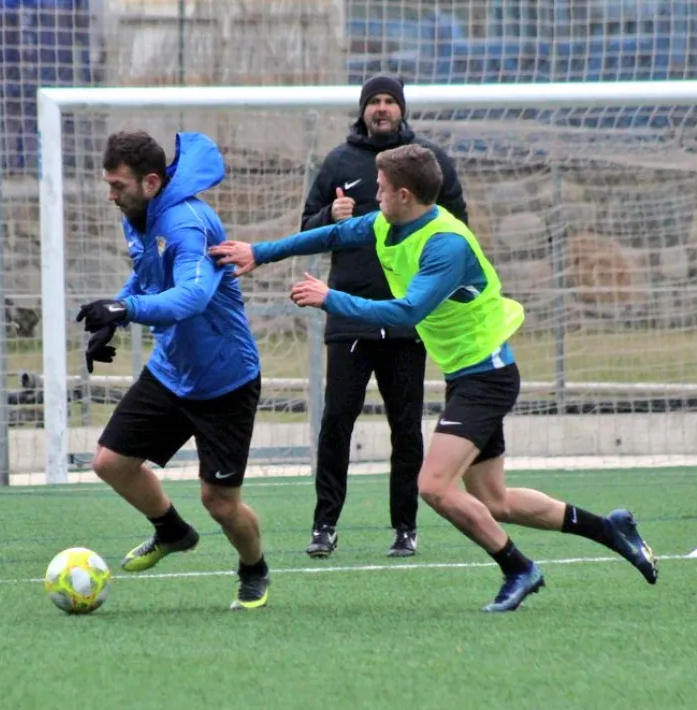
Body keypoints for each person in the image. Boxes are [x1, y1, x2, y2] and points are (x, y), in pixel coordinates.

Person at [209, 144, 658, 613]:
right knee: (496, 502)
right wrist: (258, 252)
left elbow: (407, 311)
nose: (375, 195)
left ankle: (518, 568)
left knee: (435, 486)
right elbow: (334, 233)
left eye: (381, 188)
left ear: (404, 195)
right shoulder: (388, 223)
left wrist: (330, 298)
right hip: (467, 375)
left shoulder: (446, 244)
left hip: (487, 377)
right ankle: (610, 528)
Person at [76, 130, 269, 611]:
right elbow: (146, 274)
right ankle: (172, 531)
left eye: (118, 186)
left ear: (151, 182)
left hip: (225, 379)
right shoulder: (138, 216)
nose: (111, 195)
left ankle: (254, 569)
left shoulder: (187, 224)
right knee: (110, 463)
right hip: (171, 370)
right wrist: (117, 314)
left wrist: (126, 309)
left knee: (220, 502)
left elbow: (193, 296)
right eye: (108, 184)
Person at [298, 73, 469, 559]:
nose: (381, 108)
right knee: (337, 423)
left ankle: (405, 527)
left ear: (402, 109)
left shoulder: (427, 162)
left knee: (406, 427)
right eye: (373, 101)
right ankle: (325, 525)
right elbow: (306, 227)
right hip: (349, 316)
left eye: (390, 101)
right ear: (362, 110)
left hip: (406, 322)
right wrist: (330, 217)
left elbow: (457, 224)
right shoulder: (339, 162)